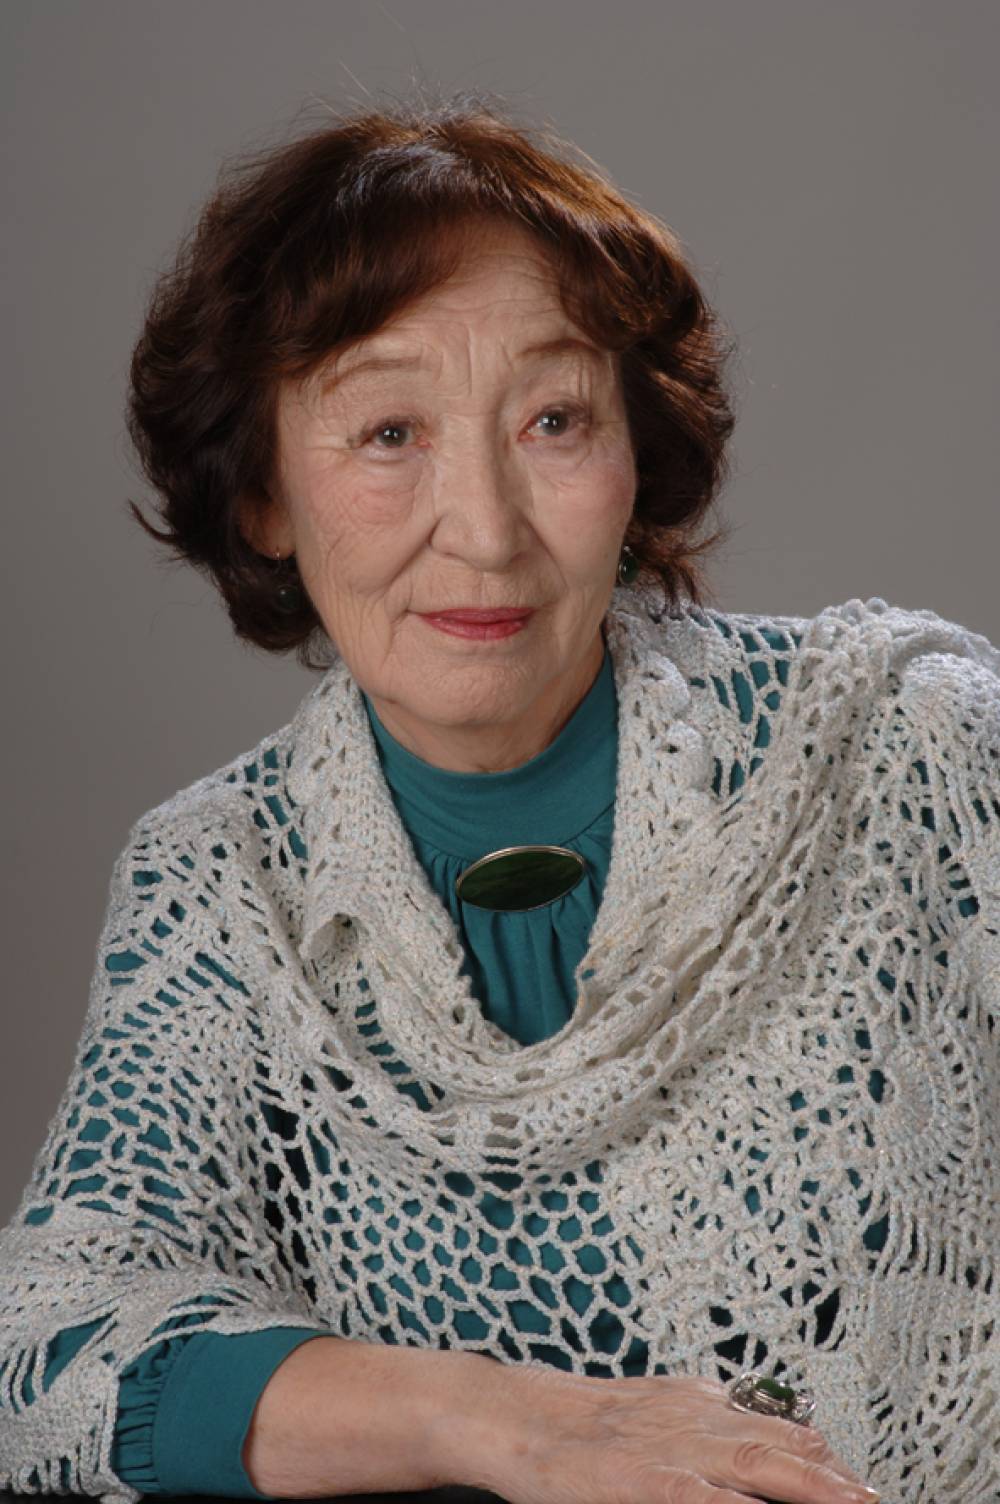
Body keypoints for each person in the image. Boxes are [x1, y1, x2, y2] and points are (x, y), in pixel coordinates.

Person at [1, 88, 997, 1504]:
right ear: (264, 494)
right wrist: (501, 1423)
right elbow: (48, 1356)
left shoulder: (918, 748)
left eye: (552, 418)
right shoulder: (218, 885)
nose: (482, 527)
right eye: (387, 432)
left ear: (635, 455)